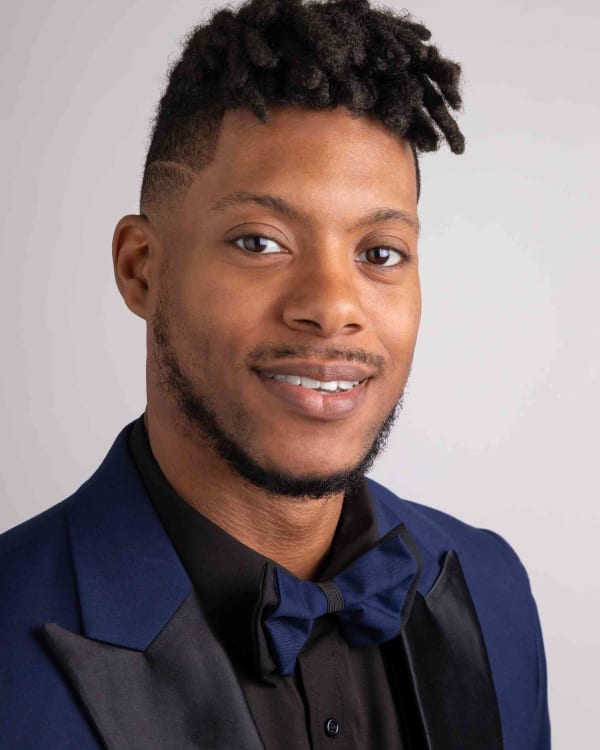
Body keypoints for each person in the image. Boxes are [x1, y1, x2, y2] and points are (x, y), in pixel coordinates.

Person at [0, 0, 550, 748]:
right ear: (141, 269)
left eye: (379, 253)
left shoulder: (492, 587)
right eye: (260, 242)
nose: (332, 307)